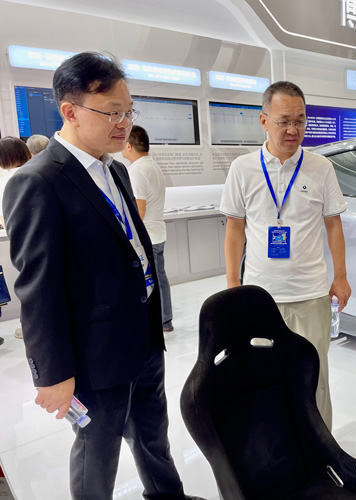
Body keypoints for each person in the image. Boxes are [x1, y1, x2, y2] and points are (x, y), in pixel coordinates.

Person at [3, 52, 203, 500]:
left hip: (143, 339)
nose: (124, 124)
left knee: (153, 433)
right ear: (70, 111)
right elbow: (38, 287)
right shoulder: (38, 181)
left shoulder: (117, 170)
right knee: (98, 451)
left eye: (129, 112)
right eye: (113, 113)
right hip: (94, 354)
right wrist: (52, 373)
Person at [220, 81, 351, 430]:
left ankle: (320, 449)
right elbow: (234, 228)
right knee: (264, 378)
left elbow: (333, 225)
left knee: (314, 377)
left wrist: (340, 276)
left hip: (311, 294)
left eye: (300, 120)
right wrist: (233, 282)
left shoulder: (321, 167)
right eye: (284, 121)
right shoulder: (243, 168)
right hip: (260, 296)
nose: (293, 129)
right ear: (264, 121)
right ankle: (274, 447)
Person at [122, 125, 173, 332]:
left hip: (147, 237)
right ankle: (165, 320)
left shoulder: (137, 171)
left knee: (151, 280)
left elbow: (139, 211)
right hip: (157, 233)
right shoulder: (152, 166)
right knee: (159, 278)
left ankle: (161, 320)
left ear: (129, 145)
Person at [0, 136, 32, 341]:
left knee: (27, 283)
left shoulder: (5, 179)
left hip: (20, 240)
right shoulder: (36, 172)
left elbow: (5, 218)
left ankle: (27, 325)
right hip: (44, 237)